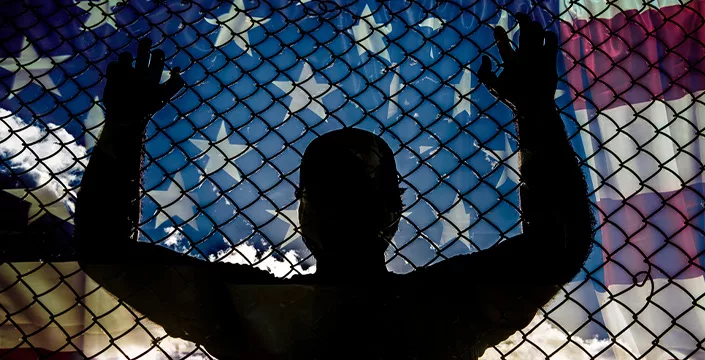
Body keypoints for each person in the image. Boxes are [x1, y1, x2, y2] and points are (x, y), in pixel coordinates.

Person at [74, 13, 595, 360]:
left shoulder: (247, 307)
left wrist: (125, 125)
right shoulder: (442, 307)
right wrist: (535, 110)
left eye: (358, 187)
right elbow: (559, 245)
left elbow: (103, 248)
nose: (343, 202)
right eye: (328, 188)